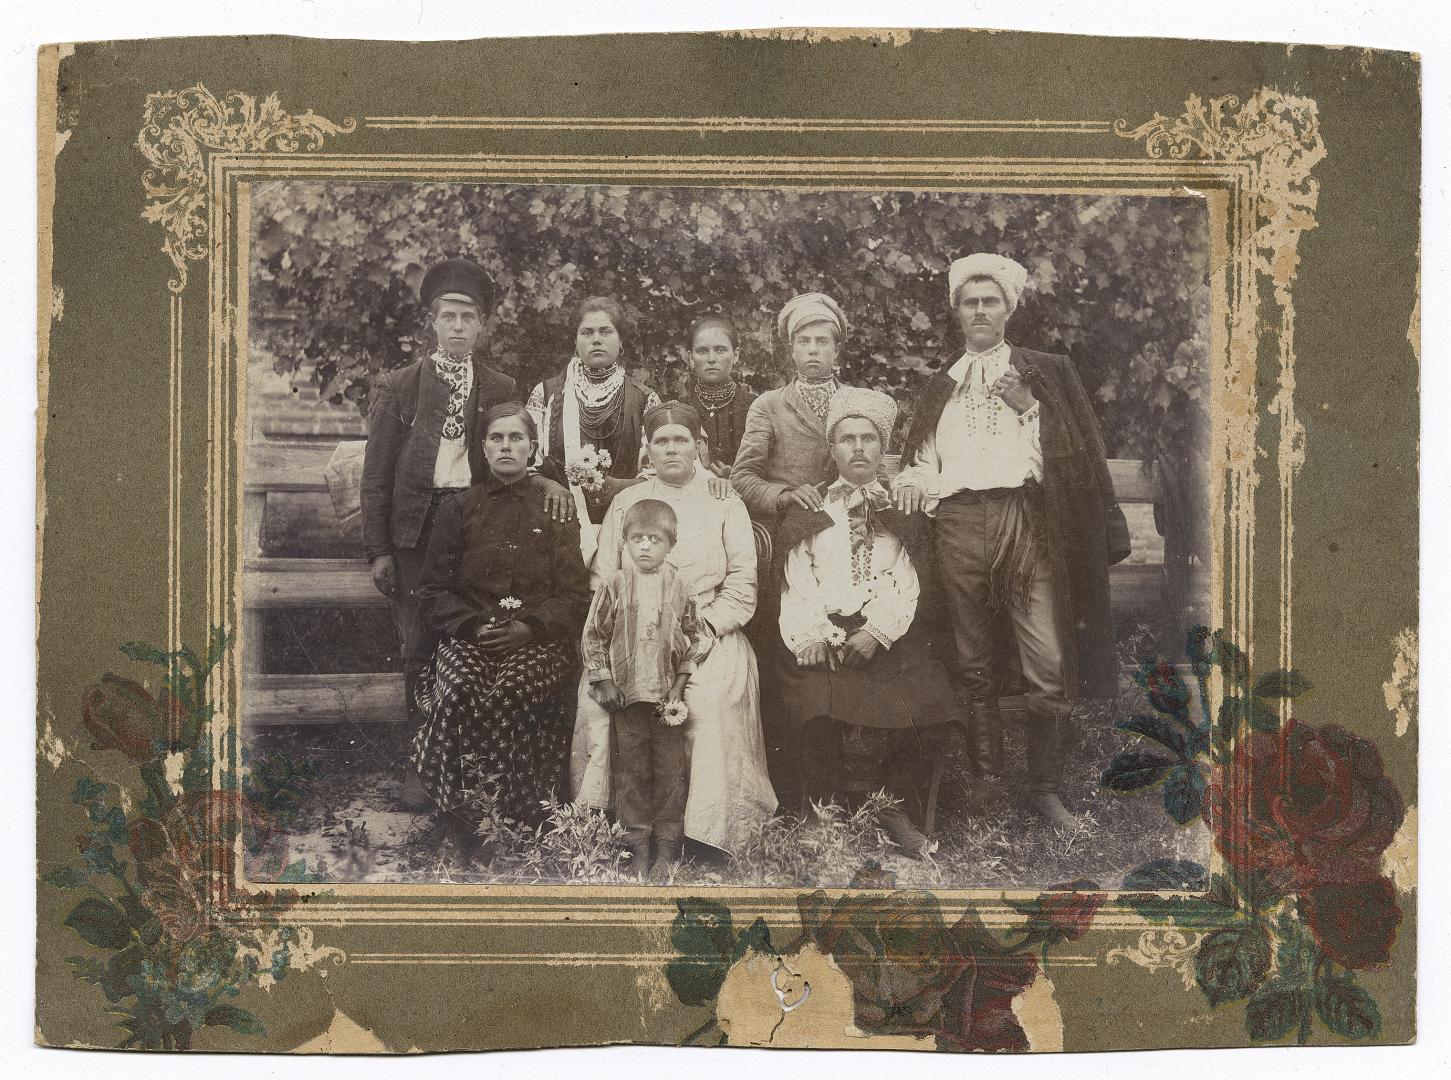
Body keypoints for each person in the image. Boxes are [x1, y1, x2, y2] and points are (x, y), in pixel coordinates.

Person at [892, 253, 1131, 827]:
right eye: (969, 302)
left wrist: (1030, 410)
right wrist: (910, 482)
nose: (979, 311)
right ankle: (985, 782)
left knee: (1046, 658)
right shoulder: (940, 385)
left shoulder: (1044, 371)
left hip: (1025, 523)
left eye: (990, 301)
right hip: (957, 525)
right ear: (956, 312)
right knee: (971, 660)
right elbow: (925, 462)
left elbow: (1074, 460)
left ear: (1009, 309)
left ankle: (1046, 791)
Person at [362, 257, 574, 737]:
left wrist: (549, 482)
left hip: (477, 524)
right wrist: (379, 550)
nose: (457, 327)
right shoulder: (400, 386)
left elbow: (512, 449)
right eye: (448, 317)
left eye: (468, 317)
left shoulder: (500, 385)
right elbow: (376, 476)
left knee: (477, 632)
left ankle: (474, 753)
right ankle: (421, 755)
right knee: (418, 640)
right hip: (416, 529)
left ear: (481, 325)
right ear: (432, 322)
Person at [572, 401, 776, 855]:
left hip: (706, 631)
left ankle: (702, 832)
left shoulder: (724, 499)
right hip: (629, 632)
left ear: (699, 445)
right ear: (647, 450)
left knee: (707, 700)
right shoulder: (627, 503)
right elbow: (603, 579)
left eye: (681, 440)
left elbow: (743, 583)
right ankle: (615, 826)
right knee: (600, 705)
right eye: (661, 442)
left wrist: (698, 629)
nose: (671, 449)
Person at [773, 387, 956, 857]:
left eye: (869, 439)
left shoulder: (903, 508)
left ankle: (890, 804)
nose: (858, 448)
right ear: (831, 449)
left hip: (888, 630)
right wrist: (812, 633)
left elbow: (908, 576)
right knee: (810, 693)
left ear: (883, 448)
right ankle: (821, 805)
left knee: (922, 690)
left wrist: (877, 631)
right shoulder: (811, 508)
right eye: (847, 439)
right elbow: (798, 578)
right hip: (822, 625)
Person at [411, 402, 591, 856]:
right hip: (471, 636)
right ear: (483, 447)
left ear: (533, 447)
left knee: (511, 691)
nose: (507, 446)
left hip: (538, 641)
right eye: (497, 438)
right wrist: (472, 627)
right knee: (459, 692)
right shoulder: (458, 508)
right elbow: (432, 590)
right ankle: (459, 818)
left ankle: (517, 816)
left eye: (516, 438)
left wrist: (530, 628)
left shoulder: (555, 506)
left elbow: (574, 595)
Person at [729, 291, 856, 807]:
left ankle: (850, 769)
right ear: (790, 350)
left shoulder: (855, 402)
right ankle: (794, 780)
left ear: (837, 350)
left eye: (822, 341)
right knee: (793, 655)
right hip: (788, 539)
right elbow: (741, 477)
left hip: (847, 538)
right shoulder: (769, 405)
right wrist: (784, 495)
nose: (812, 351)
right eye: (803, 341)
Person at [581, 499, 709, 876]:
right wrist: (603, 680)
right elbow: (593, 636)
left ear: (671, 544)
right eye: (637, 538)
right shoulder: (614, 584)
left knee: (670, 771)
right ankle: (636, 844)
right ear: (625, 542)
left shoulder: (681, 585)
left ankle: (668, 845)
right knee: (631, 771)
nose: (645, 546)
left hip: (667, 700)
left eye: (655, 539)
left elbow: (697, 637)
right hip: (627, 697)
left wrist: (680, 684)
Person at [526, 296, 662, 530]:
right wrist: (550, 486)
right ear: (575, 341)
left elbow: (660, 472)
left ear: (621, 341)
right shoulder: (546, 394)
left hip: (627, 522)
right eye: (587, 332)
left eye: (606, 332)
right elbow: (526, 464)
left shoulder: (645, 399)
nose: (596, 339)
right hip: (558, 523)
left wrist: (622, 486)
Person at [685, 314, 758, 478]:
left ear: (736, 355)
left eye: (720, 350)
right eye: (702, 351)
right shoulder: (681, 410)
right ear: (691, 358)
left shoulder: (756, 407)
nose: (711, 359)